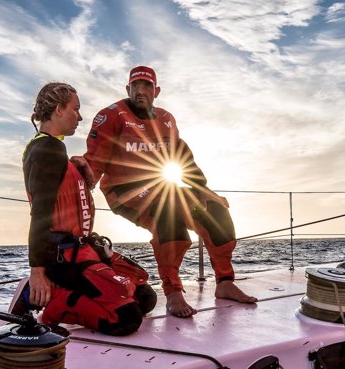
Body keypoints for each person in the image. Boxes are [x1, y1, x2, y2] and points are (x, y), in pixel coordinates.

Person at [84, 66, 257, 317]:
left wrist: (203, 189)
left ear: (156, 91)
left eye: (147, 86)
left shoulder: (166, 118)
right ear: (127, 89)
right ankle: (173, 291)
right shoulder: (111, 115)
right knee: (168, 209)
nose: (140, 91)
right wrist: (82, 188)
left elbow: (182, 155)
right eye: (136, 86)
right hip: (123, 191)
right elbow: (94, 161)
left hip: (160, 187)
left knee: (216, 208)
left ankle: (225, 282)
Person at [15, 82, 156, 336]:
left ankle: (77, 291)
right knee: (126, 319)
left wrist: (83, 173)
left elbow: (68, 201)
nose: (80, 117)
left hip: (83, 250)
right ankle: (57, 303)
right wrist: (37, 271)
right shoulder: (47, 150)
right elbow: (40, 214)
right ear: (59, 109)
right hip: (63, 258)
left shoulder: (58, 150)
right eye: (75, 109)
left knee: (145, 296)